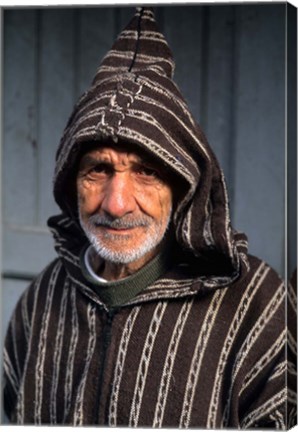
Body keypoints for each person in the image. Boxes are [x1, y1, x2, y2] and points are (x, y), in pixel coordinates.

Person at [3, 7, 296, 428]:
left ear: (183, 186)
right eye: (98, 170)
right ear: (71, 181)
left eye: (147, 172)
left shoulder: (256, 306)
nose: (116, 203)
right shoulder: (43, 298)